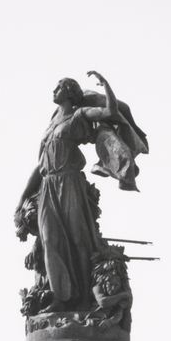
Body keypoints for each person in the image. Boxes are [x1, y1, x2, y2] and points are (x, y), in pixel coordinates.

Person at [15, 71, 146, 312]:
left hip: (70, 183)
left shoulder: (78, 116)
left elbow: (110, 112)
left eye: (59, 87)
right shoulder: (50, 125)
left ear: (69, 92)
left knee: (79, 237)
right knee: (49, 240)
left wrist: (105, 84)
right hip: (48, 186)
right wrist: (23, 198)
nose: (54, 90)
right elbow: (41, 164)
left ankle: (87, 297)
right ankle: (60, 297)